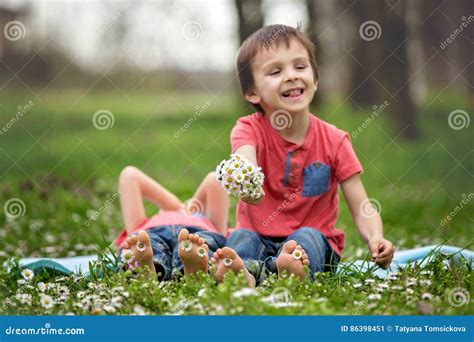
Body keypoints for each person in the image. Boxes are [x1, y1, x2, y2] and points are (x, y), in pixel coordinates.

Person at [211, 25, 395, 287]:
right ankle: (244, 275)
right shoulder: (248, 129)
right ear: (253, 92)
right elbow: (244, 159)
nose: (291, 76)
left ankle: (290, 270)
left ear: (315, 79)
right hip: (258, 234)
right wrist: (247, 181)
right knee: (242, 238)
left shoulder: (335, 140)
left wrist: (376, 236)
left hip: (315, 241)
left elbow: (361, 204)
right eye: (276, 71)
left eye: (300, 67)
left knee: (307, 238)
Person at [116, 166, 229, 280]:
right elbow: (129, 175)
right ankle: (193, 271)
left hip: (194, 232)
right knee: (142, 245)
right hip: (153, 233)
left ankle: (145, 271)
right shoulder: (141, 228)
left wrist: (180, 207)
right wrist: (187, 208)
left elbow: (215, 180)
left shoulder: (208, 223)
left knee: (201, 244)